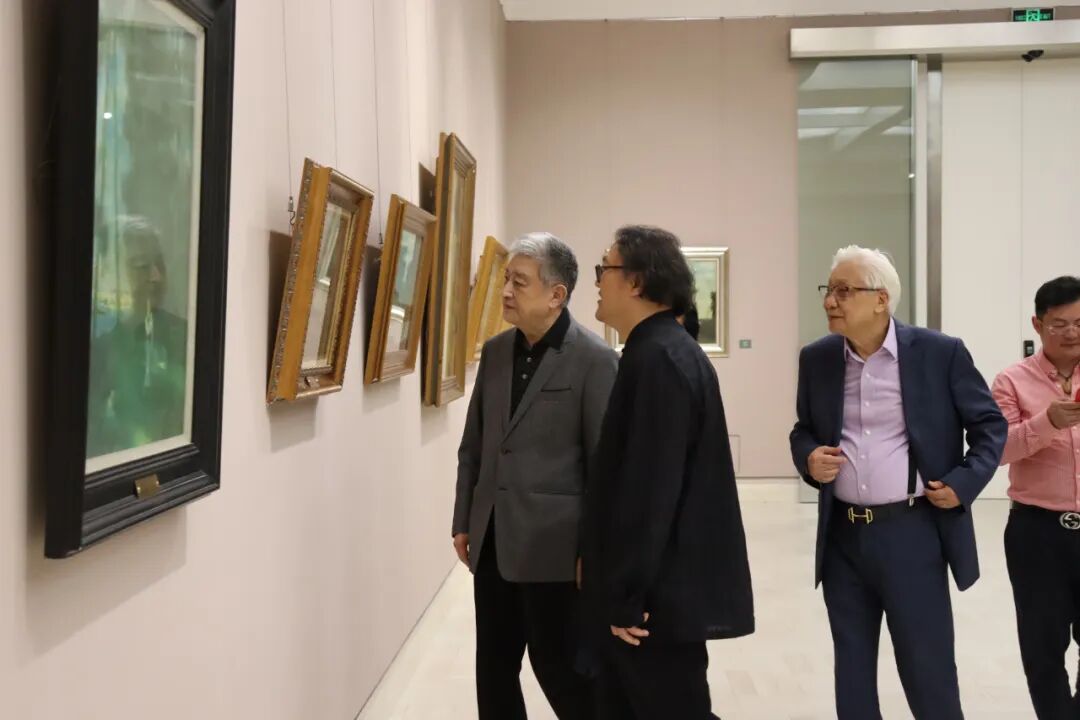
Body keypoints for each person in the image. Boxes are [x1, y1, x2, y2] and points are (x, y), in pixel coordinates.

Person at [790, 245, 1006, 720]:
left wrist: (965, 482)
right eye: (829, 289)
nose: (829, 301)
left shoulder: (939, 353)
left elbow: (990, 425)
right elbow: (803, 429)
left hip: (913, 533)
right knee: (852, 671)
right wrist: (808, 456)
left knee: (927, 669)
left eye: (844, 290)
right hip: (843, 537)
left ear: (881, 299)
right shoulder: (818, 358)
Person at [584, 225, 754, 719]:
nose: (598, 281)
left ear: (636, 281)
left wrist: (626, 594)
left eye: (605, 268)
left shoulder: (659, 359)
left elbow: (650, 491)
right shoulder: (659, 350)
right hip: (659, 592)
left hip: (655, 601)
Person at [453, 232, 618, 720]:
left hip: (556, 551)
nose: (505, 291)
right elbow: (475, 445)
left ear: (556, 295)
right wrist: (464, 519)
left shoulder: (595, 360)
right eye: (506, 279)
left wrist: (594, 550)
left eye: (519, 282)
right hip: (492, 541)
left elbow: (604, 467)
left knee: (561, 672)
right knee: (493, 671)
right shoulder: (496, 352)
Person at [991, 275, 1080, 719]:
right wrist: (1048, 422)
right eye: (1059, 324)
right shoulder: (1011, 381)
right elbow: (999, 450)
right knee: (1043, 650)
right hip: (1037, 532)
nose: (1071, 332)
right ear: (1038, 324)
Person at [87, 218, 188, 458]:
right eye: (141, 265)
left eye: (159, 263)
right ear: (109, 274)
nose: (156, 276)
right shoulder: (98, 350)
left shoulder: (186, 337)